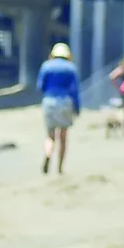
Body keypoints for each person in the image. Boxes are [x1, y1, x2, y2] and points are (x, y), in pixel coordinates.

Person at [37, 42, 80, 175]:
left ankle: (48, 154)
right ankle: (60, 168)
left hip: (49, 101)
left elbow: (40, 86)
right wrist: (77, 107)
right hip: (65, 102)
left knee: (50, 135)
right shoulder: (71, 68)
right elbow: (74, 91)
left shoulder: (46, 66)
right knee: (63, 136)